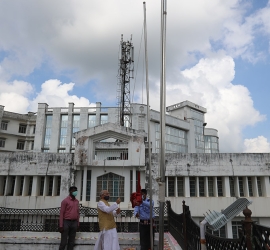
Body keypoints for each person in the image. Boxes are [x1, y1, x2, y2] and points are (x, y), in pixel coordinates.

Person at [59, 186, 80, 250]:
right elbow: (61, 213)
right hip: (66, 222)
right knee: (64, 242)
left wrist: (78, 224)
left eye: (76, 191)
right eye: (73, 191)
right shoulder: (65, 201)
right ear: (70, 191)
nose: (75, 192)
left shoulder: (77, 201)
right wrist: (61, 225)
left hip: (74, 222)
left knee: (71, 242)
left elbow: (78, 213)